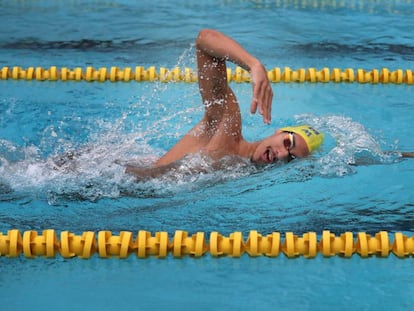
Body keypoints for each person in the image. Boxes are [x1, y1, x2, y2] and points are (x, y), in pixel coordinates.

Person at [126, 29, 324, 179]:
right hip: (119, 177)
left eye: (290, 158)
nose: (281, 154)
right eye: (288, 143)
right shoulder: (227, 126)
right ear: (279, 132)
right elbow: (205, 40)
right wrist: (254, 65)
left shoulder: (242, 172)